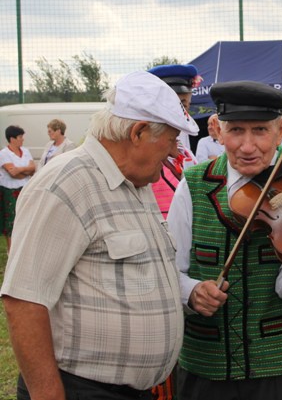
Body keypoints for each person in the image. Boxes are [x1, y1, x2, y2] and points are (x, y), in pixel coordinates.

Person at [0, 70, 198, 399]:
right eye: (171, 139)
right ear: (138, 132)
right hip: (83, 389)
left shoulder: (137, 182)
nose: (176, 151)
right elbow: (24, 301)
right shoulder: (65, 183)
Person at [167, 80, 282, 400]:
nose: (248, 146)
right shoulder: (194, 184)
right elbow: (170, 268)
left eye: (260, 131)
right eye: (236, 130)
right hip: (207, 362)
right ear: (218, 130)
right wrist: (191, 292)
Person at [149, 64, 201, 219]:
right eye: (171, 105)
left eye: (183, 105)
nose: (179, 112)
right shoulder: (144, 154)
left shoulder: (185, 150)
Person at [0, 125, 35, 252]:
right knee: (11, 221)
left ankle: (23, 248)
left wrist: (20, 169)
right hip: (10, 191)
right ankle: (11, 251)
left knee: (26, 218)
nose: (22, 139)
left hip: (25, 189)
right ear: (12, 139)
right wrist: (26, 170)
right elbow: (12, 174)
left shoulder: (25, 151)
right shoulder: (4, 154)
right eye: (20, 137)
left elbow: (33, 169)